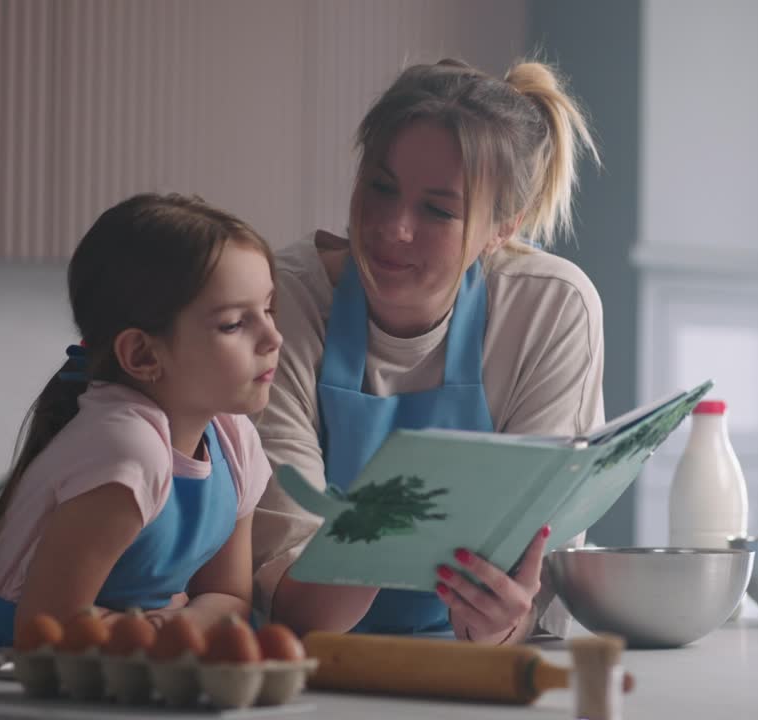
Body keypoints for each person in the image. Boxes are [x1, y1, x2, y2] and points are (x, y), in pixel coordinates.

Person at [252, 58, 605, 645]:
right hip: (308, 669)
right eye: (381, 188)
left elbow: (537, 564)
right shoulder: (283, 300)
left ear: (504, 227)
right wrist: (398, 536)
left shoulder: (548, 310)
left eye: (438, 209)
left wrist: (499, 623)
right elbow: (289, 589)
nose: (394, 227)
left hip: (470, 671)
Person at [0, 194, 282, 647]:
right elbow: (49, 629)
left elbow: (228, 597)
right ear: (142, 353)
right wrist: (176, 623)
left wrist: (164, 627)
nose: (273, 337)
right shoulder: (127, 449)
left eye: (269, 309)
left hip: (115, 674)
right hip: (3, 680)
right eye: (234, 324)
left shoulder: (235, 440)